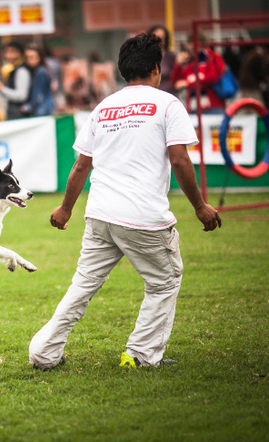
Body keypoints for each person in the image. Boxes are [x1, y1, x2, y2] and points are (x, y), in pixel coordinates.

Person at [28, 33, 222, 371]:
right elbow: (179, 160)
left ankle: (43, 353)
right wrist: (200, 207)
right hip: (143, 217)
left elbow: (81, 165)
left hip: (100, 214)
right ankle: (141, 355)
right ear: (157, 69)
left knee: (83, 285)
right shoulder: (167, 104)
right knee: (164, 281)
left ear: (122, 70)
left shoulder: (103, 107)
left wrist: (66, 208)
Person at [171, 34, 226, 113]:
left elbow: (213, 77)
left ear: (203, 43)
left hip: (214, 106)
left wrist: (188, 83)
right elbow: (176, 82)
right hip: (194, 108)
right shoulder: (191, 63)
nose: (193, 45)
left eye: (196, 42)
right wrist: (178, 65)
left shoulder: (213, 57)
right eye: (190, 43)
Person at [0, 41, 31, 120]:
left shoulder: (22, 71)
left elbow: (21, 95)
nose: (9, 55)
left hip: (19, 115)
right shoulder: (13, 69)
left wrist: (2, 89)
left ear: (20, 53)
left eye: (13, 52)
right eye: (7, 52)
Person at [22, 43, 55, 117]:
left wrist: (28, 106)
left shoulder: (41, 72)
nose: (29, 60)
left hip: (41, 111)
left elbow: (37, 95)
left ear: (40, 57)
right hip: (45, 109)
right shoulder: (42, 70)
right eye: (27, 58)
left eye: (32, 57)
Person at [148, 25, 177, 94]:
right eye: (155, 38)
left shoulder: (171, 56)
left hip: (169, 94)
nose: (158, 41)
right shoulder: (145, 56)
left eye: (161, 38)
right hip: (151, 94)